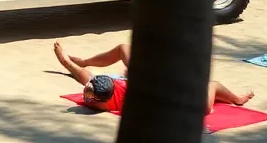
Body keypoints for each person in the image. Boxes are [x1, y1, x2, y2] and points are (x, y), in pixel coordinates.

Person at [53, 41, 253, 115]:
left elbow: (83, 77)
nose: (85, 95)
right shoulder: (101, 98)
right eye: (88, 92)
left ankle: (236, 99)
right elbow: (86, 79)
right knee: (208, 95)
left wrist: (66, 61)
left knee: (207, 97)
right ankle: (236, 99)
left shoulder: (100, 100)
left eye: (88, 92)